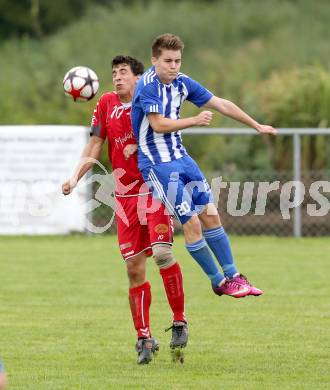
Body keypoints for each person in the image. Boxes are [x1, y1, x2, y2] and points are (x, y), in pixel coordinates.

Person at [62, 56, 187, 365]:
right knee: (133, 268)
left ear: (138, 77)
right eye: (114, 73)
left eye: (123, 73)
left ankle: (179, 320)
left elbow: (166, 132)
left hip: (154, 188)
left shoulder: (149, 98)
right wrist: (75, 176)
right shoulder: (105, 102)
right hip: (125, 196)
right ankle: (144, 338)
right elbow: (95, 143)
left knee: (161, 254)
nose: (117, 78)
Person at [131, 33, 277, 298]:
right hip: (157, 165)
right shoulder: (147, 85)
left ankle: (234, 275)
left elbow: (220, 103)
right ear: (154, 60)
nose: (174, 66)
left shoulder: (182, 83)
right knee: (192, 223)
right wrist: (194, 120)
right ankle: (218, 281)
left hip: (182, 159)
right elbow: (158, 125)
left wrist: (255, 125)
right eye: (168, 61)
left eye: (177, 61)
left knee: (210, 214)